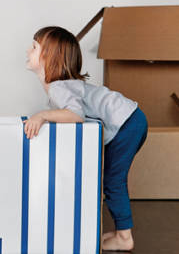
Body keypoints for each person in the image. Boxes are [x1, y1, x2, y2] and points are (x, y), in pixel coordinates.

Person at [24, 26, 147, 251]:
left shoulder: (58, 88)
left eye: (33, 47)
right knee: (110, 178)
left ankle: (124, 237)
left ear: (48, 57)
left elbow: (76, 116)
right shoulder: (60, 87)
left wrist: (42, 116)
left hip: (128, 122)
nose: (27, 51)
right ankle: (119, 232)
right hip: (130, 119)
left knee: (113, 180)